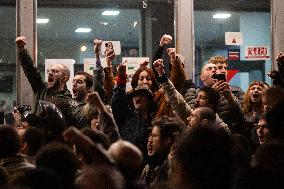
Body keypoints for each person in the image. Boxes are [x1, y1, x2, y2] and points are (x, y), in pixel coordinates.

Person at [154, 59, 231, 133]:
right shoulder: (192, 92)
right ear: (202, 77)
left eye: (202, 98)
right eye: (209, 69)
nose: (196, 100)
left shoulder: (221, 128)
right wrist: (162, 75)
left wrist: (230, 97)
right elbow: (176, 100)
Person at [15, 36, 71, 115]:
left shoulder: (68, 100)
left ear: (64, 78)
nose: (50, 73)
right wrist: (22, 50)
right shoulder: (40, 89)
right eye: (49, 70)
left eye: (55, 71)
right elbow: (31, 70)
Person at [112, 63, 157, 159]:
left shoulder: (155, 122)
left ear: (149, 101)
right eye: (135, 95)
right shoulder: (126, 116)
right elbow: (117, 101)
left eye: (142, 95)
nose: (137, 97)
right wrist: (121, 77)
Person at [140, 116, 185, 187]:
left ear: (167, 140)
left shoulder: (173, 171)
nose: (150, 140)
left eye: (154, 136)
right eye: (150, 135)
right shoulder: (148, 168)